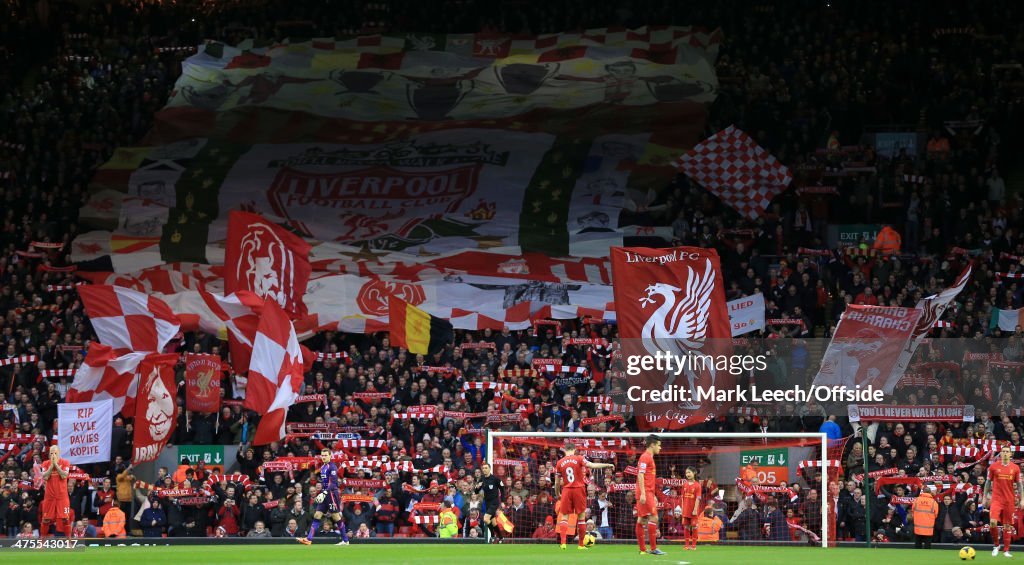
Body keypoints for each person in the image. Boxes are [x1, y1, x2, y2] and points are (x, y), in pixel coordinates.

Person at [554, 441, 613, 550]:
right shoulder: (579, 458)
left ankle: (563, 543)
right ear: (574, 449)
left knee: (564, 516)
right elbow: (592, 465)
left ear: (565, 450)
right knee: (581, 517)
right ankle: (581, 545)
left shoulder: (560, 462)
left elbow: (557, 482)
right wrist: (607, 464)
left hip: (566, 489)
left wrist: (558, 493)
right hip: (579, 489)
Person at [298, 448, 349, 546]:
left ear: (330, 456)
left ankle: (346, 540)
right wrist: (321, 492)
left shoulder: (332, 467)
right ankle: (309, 539)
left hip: (331, 494)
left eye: (326, 455)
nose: (324, 457)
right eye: (322, 455)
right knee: (317, 515)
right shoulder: (322, 467)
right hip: (325, 493)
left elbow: (333, 483)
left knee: (336, 517)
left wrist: (324, 493)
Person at [984, 446, 1024, 557]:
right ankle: (996, 545)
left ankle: (1006, 550)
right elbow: (987, 483)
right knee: (992, 522)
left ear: (1011, 454)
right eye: (1003, 451)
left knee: (1007, 526)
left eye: (1007, 452)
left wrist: (1022, 500)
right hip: (996, 499)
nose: (1005, 453)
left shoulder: (1015, 468)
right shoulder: (993, 466)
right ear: (1000, 454)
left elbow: (1020, 485)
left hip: (1009, 500)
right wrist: (984, 497)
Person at [636, 434, 665, 555]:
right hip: (645, 492)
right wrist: (643, 493)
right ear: (652, 445)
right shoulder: (645, 457)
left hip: (648, 492)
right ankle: (653, 549)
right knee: (654, 517)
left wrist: (652, 494)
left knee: (642, 519)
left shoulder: (648, 457)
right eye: (659, 445)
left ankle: (643, 550)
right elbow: (640, 474)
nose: (660, 448)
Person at [40, 445, 70, 538]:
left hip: (62, 497)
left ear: (59, 453)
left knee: (65, 519)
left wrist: (56, 465)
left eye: (55, 453)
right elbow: (45, 477)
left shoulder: (65, 462)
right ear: (49, 454)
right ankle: (42, 543)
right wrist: (51, 465)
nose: (53, 455)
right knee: (45, 520)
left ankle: (69, 542)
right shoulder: (45, 463)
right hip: (49, 497)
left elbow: (64, 476)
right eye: (51, 453)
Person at [475, 462, 504, 543]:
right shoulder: (482, 479)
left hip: (494, 502)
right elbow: (476, 492)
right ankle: (501, 537)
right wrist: (477, 487)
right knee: (493, 522)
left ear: (490, 469)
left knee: (485, 519)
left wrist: (503, 501)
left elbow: (502, 489)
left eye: (486, 468)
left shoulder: (495, 479)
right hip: (487, 503)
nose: (484, 470)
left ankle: (492, 535)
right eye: (483, 468)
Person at [679, 466, 702, 550]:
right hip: (686, 509)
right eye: (686, 473)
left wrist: (695, 509)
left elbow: (698, 498)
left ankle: (694, 545)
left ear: (694, 473)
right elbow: (682, 497)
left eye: (689, 472)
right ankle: (687, 545)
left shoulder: (697, 485)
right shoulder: (684, 484)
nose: (687, 474)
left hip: (693, 510)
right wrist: (682, 509)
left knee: (694, 526)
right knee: (686, 527)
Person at [910, 485, 937, 549]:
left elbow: (913, 511)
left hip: (918, 527)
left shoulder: (916, 500)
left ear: (923, 492)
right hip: (929, 528)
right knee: (927, 545)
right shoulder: (933, 502)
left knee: (918, 544)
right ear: (930, 492)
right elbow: (936, 514)